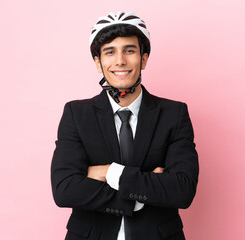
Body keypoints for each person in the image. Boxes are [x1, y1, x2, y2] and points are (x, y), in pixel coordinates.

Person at [51, 11, 199, 240]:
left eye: (129, 50)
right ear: (98, 63)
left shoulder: (174, 114)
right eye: (110, 52)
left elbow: (182, 190)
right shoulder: (76, 114)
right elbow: (65, 189)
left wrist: (109, 172)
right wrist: (142, 193)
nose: (120, 60)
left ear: (144, 58)